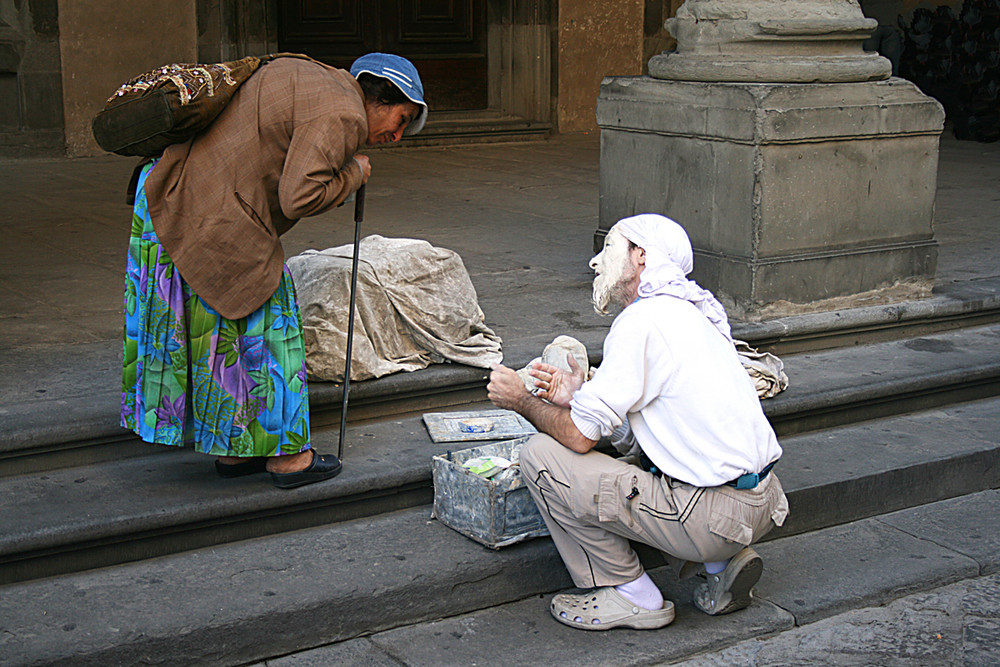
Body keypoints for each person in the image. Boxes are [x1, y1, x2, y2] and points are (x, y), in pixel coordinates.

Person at [120, 53, 427, 489]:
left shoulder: (309, 74)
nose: (396, 134)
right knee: (274, 327)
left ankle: (234, 450)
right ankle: (289, 458)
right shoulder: (343, 112)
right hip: (206, 210)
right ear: (379, 97)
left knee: (223, 333)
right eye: (400, 119)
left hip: (172, 197)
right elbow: (298, 197)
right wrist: (353, 174)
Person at [487, 213, 788, 630]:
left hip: (707, 514)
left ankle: (632, 595)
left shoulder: (641, 322)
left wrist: (521, 401)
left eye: (609, 248)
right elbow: (654, 436)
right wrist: (576, 397)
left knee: (541, 456)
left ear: (641, 257)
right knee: (646, 468)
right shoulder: (691, 316)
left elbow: (577, 438)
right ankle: (721, 563)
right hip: (763, 503)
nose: (596, 262)